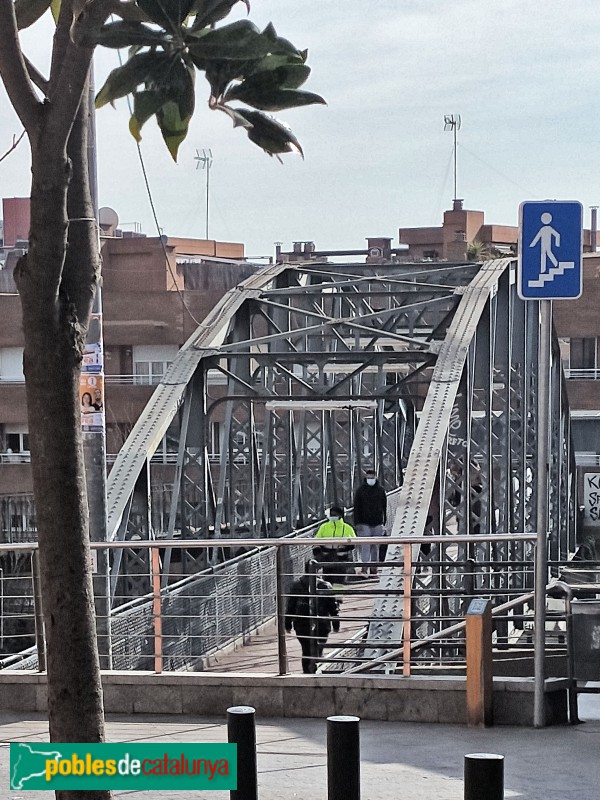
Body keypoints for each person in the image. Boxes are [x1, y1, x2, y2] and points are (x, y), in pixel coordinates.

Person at [285, 562, 340, 674]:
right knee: (318, 649)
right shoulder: (325, 586)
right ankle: (316, 671)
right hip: (322, 624)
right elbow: (333, 607)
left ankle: (307, 673)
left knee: (306, 651)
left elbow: (291, 606)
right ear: (318, 570)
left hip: (301, 624)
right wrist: (336, 623)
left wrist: (287, 623)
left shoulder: (296, 586)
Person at [353, 469, 387, 575]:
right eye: (369, 477)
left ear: (375, 477)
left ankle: (373, 569)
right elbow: (356, 507)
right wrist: (357, 522)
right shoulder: (360, 491)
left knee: (375, 547)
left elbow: (384, 507)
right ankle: (365, 568)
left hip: (377, 522)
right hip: (364, 523)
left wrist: (384, 521)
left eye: (372, 477)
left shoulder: (381, 490)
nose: (370, 479)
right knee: (366, 546)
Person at [313, 506, 356, 586]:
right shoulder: (324, 527)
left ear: (340, 515)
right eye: (331, 515)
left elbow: (354, 543)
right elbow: (316, 541)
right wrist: (319, 554)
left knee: (339, 582)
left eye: (335, 515)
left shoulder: (348, 528)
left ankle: (338, 594)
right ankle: (329, 594)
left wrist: (344, 548)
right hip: (327, 559)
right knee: (327, 582)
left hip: (342, 559)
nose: (333, 516)